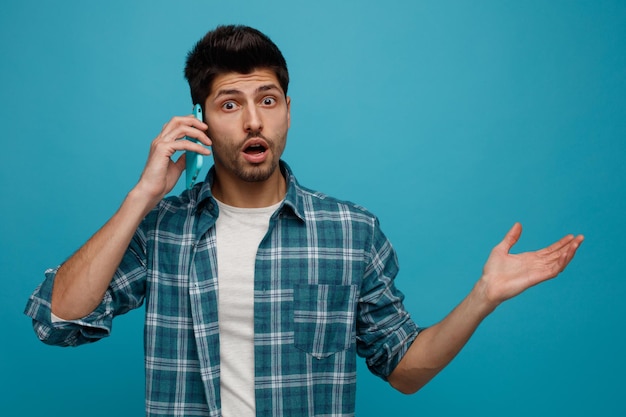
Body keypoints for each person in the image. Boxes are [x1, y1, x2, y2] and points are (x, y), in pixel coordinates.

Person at [25, 25, 583, 417]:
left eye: (268, 100)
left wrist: (482, 296)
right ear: (199, 121)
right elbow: (57, 321)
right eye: (228, 104)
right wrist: (141, 197)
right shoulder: (162, 228)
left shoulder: (351, 233)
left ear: (288, 109)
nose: (251, 120)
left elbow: (406, 373)